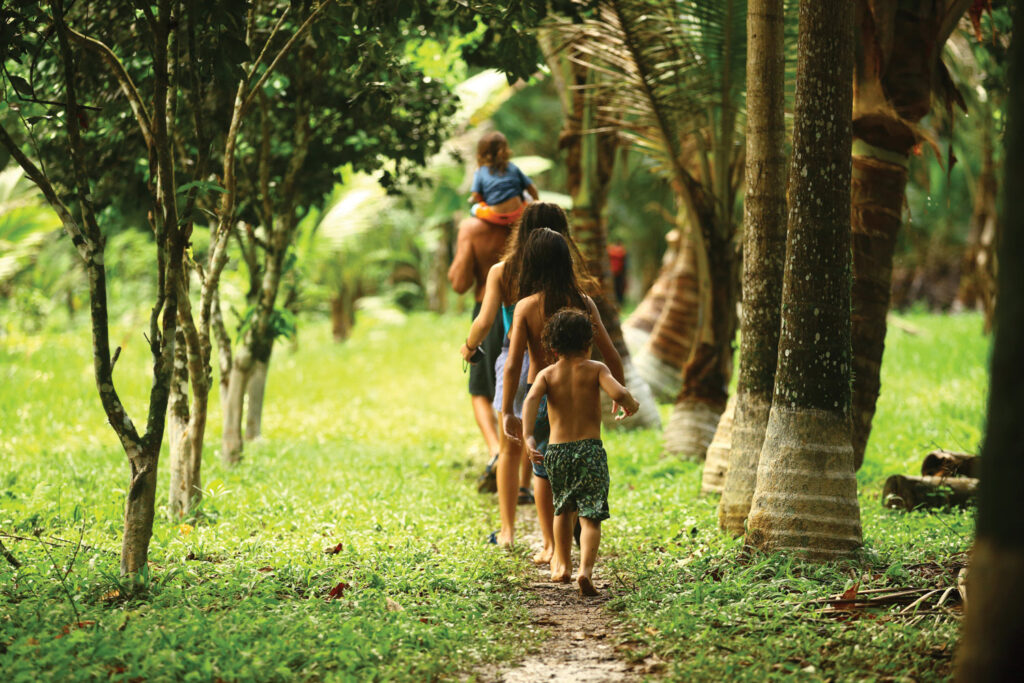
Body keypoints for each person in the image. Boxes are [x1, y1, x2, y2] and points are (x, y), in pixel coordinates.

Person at [460, 203, 591, 560]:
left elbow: (485, 320)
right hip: (564, 367)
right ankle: (559, 534)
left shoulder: (503, 272)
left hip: (516, 367)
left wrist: (469, 346)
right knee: (558, 449)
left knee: (510, 449)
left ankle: (507, 530)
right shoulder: (567, 280)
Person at [501, 227, 627, 580]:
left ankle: (555, 551)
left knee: (545, 473)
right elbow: (608, 350)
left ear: (533, 264)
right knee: (583, 490)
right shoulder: (583, 302)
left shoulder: (526, 306)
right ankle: (575, 559)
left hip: (540, 396)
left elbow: (513, 364)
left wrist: (509, 409)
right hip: (578, 413)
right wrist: (620, 388)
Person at [523, 308, 639, 596]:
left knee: (562, 508)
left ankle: (562, 565)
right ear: (589, 342)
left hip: (557, 451)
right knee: (591, 515)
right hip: (589, 451)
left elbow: (530, 400)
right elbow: (618, 393)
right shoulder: (597, 368)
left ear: (552, 347)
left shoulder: (547, 374)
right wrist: (630, 404)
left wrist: (527, 436)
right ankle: (585, 571)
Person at [448, 213, 509, 489]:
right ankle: (521, 467)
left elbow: (459, 284)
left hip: (488, 312)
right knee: (517, 383)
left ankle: (497, 450)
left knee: (481, 389)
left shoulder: (473, 228)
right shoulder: (530, 219)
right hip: (528, 309)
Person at [470, 132, 539, 227]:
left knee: (474, 208)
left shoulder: (480, 171)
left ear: (481, 153)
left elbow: (476, 194)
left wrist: (485, 202)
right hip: (518, 214)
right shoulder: (513, 167)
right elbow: (531, 189)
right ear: (505, 150)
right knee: (527, 198)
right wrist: (537, 203)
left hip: (494, 215)